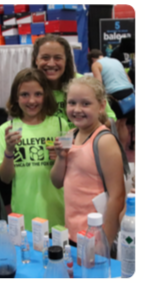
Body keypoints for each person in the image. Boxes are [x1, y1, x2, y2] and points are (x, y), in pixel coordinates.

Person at [50, 76, 125, 247]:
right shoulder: (70, 135)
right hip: (72, 233)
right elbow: (56, 182)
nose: (77, 109)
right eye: (72, 103)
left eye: (85, 104)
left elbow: (117, 196)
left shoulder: (104, 141)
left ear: (101, 106)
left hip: (96, 238)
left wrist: (104, 242)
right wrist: (61, 157)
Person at [0, 68, 69, 231]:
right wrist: (9, 151)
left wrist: (61, 159)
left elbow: (71, 170)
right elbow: (5, 178)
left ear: (46, 95)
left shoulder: (61, 124)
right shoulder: (7, 129)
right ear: (15, 97)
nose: (32, 101)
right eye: (24, 94)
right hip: (24, 212)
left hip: (57, 211)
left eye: (38, 94)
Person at [31, 34, 117, 130]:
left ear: (66, 60)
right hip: (47, 144)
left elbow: (110, 119)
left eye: (57, 58)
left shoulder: (85, 84)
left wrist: (79, 133)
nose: (51, 63)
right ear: (36, 60)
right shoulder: (28, 89)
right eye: (45, 57)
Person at [88, 49, 134, 150]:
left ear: (92, 59)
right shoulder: (116, 61)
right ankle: (122, 152)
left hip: (116, 95)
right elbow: (129, 80)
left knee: (113, 124)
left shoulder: (96, 64)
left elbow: (98, 84)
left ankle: (113, 151)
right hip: (130, 94)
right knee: (122, 124)